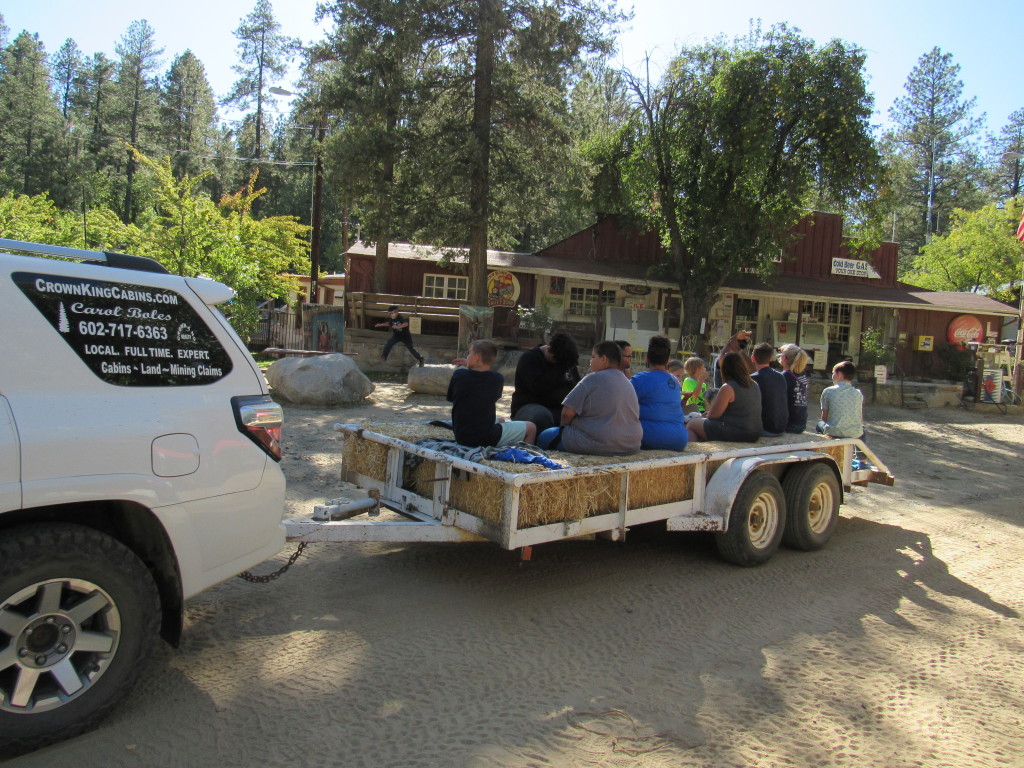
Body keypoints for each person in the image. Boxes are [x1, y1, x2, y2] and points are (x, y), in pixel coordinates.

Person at [537, 340, 642, 455]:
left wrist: (564, 431)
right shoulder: (628, 383)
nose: (590, 362)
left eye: (593, 357)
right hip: (631, 445)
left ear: (604, 359)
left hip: (602, 443)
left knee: (545, 436)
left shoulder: (592, 378)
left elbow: (567, 413)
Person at [447, 339, 537, 448]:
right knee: (531, 428)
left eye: (469, 353)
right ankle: (526, 457)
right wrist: (472, 364)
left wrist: (469, 365)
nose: (467, 356)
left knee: (502, 420)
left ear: (477, 357)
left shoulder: (459, 375)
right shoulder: (497, 379)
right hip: (485, 437)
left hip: (461, 435)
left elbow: (452, 397)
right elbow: (486, 377)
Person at [510, 331, 581, 432]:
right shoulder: (530, 359)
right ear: (549, 348)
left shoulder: (566, 361)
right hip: (530, 408)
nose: (559, 364)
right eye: (556, 361)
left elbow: (576, 389)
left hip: (559, 409)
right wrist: (559, 369)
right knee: (542, 416)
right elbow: (539, 388)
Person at [686, 352, 762, 443]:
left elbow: (713, 415)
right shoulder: (754, 384)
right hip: (755, 433)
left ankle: (693, 451)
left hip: (738, 432)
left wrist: (707, 414)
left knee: (692, 424)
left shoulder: (728, 387)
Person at [630, 335, 687, 450]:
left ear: (647, 358)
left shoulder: (639, 379)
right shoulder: (675, 382)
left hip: (650, 435)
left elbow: (622, 405)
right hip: (679, 438)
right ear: (668, 360)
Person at [817, 360, 864, 438]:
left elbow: (824, 418)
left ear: (839, 374)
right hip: (855, 433)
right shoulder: (858, 393)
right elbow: (860, 418)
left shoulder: (828, 391)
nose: (832, 376)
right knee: (861, 430)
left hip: (834, 432)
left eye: (833, 373)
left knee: (819, 425)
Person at [750, 342, 788, 436]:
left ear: (753, 358)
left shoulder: (752, 379)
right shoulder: (780, 377)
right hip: (781, 427)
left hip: (765, 428)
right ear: (771, 358)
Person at [779, 343, 810, 434]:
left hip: (789, 424)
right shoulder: (802, 374)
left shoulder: (784, 377)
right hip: (801, 423)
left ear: (784, 358)